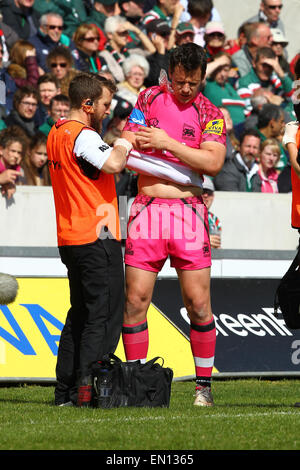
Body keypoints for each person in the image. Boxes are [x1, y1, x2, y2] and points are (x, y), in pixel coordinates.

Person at [121, 43, 226, 406]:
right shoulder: (149, 98)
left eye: (192, 83)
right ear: (170, 72)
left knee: (198, 304)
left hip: (188, 211)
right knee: (135, 300)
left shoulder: (210, 112)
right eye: (179, 81)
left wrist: (165, 143)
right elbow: (128, 138)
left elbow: (212, 162)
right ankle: (134, 384)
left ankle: (203, 388)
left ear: (202, 79)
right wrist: (136, 141)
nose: (184, 89)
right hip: (148, 208)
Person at [47, 72, 132, 407]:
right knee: (104, 315)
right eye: (104, 104)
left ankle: (65, 392)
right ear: (87, 104)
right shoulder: (81, 134)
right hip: (98, 235)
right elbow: (112, 162)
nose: (107, 111)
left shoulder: (57, 133)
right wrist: (124, 141)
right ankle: (90, 391)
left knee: (79, 315)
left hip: (70, 236)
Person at [236, 47, 294, 119]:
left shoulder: (276, 79)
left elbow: (294, 98)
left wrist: (280, 73)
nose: (267, 69)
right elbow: (248, 113)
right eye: (264, 65)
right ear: (254, 63)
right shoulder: (244, 83)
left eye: (270, 66)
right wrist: (274, 104)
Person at [100, 15, 155, 83]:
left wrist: (135, 30)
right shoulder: (104, 56)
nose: (126, 36)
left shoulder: (130, 52)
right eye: (122, 33)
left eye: (127, 32)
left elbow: (152, 51)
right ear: (110, 35)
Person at [203, 51, 246, 126]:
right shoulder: (208, 85)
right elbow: (198, 76)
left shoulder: (231, 86)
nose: (222, 74)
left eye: (225, 70)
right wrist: (219, 62)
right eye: (218, 69)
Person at [256, 102, 287, 171]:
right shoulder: (255, 141)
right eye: (281, 122)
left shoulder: (277, 140)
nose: (283, 125)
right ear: (272, 123)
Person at [0, 125, 27, 199]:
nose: (16, 156)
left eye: (19, 152)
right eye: (13, 151)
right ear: (1, 150)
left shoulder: (19, 171)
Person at [202, 175, 221, 249]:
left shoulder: (214, 219)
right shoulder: (185, 216)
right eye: (202, 191)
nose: (206, 195)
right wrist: (205, 241)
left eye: (209, 192)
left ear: (213, 196)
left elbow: (216, 245)